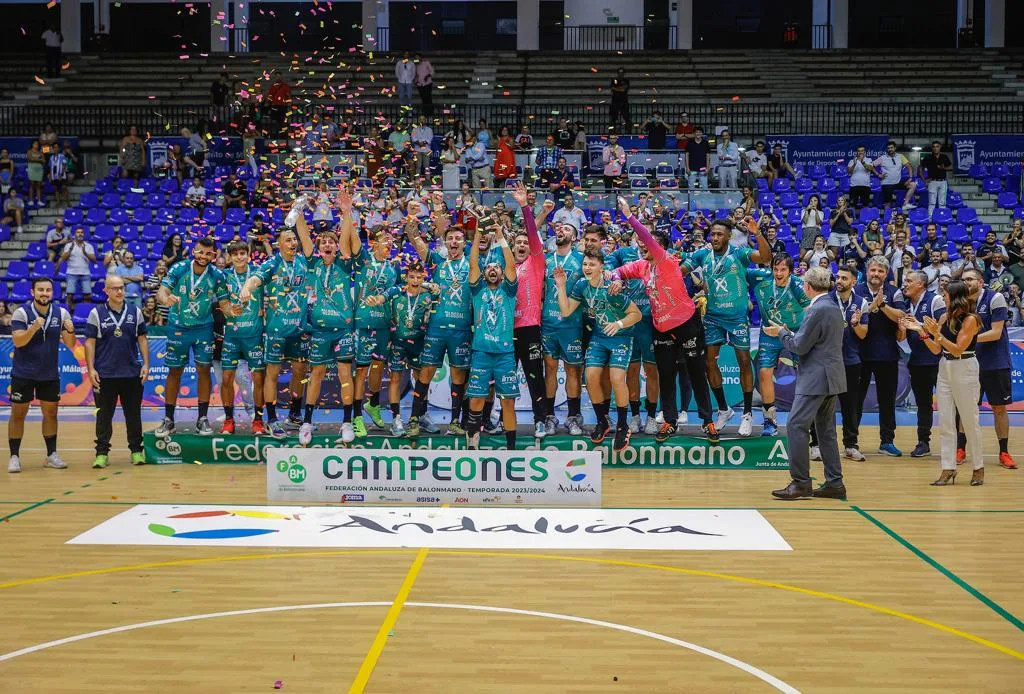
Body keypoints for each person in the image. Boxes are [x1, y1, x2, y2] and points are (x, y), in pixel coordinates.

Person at [611, 197, 717, 443]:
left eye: (650, 243)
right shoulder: (641, 265)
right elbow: (619, 270)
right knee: (666, 377)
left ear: (662, 248)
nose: (644, 245)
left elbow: (646, 238)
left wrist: (629, 216)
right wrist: (617, 278)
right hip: (661, 329)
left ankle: (708, 421)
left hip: (688, 324)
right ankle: (669, 421)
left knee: (696, 374)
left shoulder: (668, 260)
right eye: (642, 243)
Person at [680, 217, 772, 436]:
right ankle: (723, 409)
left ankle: (747, 414)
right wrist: (671, 265)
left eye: (719, 234)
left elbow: (766, 257)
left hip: (737, 318)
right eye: (712, 234)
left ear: (729, 236)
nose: (715, 238)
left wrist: (756, 233)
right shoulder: (703, 254)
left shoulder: (739, 254)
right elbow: (682, 269)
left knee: (743, 363)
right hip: (712, 317)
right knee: (709, 362)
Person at [764, 267, 847, 501]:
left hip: (816, 378)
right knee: (826, 432)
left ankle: (801, 483)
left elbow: (798, 347)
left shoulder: (817, 309)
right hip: (832, 377)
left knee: (795, 426)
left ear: (807, 286)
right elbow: (812, 341)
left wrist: (780, 333)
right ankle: (835, 483)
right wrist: (791, 334)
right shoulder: (832, 306)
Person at [555, 247, 642, 450]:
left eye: (592, 264)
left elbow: (636, 314)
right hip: (599, 337)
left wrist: (619, 324)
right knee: (591, 376)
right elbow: (566, 310)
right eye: (585, 264)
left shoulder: (613, 287)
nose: (587, 267)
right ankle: (602, 420)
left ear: (602, 267)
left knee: (616, 378)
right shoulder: (581, 285)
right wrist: (561, 286)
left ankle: (622, 425)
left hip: (621, 337)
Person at [240, 200, 313, 438]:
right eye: (288, 240)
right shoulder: (272, 264)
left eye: (294, 240)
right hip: (276, 330)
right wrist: (246, 288)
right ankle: (271, 418)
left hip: (300, 328)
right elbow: (255, 279)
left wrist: (298, 212)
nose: (293, 243)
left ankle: (294, 412)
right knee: (272, 372)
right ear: (279, 245)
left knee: (300, 370)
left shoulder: (303, 261)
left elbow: (308, 240)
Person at [905, 280, 984, 486]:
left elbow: (958, 349)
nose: (943, 297)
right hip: (944, 367)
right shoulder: (943, 317)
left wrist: (937, 335)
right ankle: (948, 468)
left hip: (964, 366)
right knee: (946, 421)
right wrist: (921, 332)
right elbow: (936, 349)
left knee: (969, 420)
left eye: (946, 294)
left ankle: (978, 467)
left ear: (956, 296)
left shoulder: (971, 320)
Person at [155, 236, 235, 438]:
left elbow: (225, 305)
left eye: (208, 253)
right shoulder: (179, 268)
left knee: (204, 371)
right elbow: (161, 293)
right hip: (178, 328)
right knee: (174, 371)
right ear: (193, 251)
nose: (203, 256)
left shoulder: (217, 275)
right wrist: (166, 298)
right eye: (200, 252)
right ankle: (169, 419)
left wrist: (236, 311)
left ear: (214, 255)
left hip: (203, 329)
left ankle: (202, 418)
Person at [300, 203, 358, 446]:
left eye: (330, 242)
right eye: (322, 242)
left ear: (336, 248)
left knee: (345, 373)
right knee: (317, 374)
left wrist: (346, 212)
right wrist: (299, 213)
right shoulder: (312, 264)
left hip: (343, 330)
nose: (326, 245)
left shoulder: (344, 265)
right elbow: (303, 235)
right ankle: (306, 422)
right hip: (320, 332)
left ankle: (347, 422)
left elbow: (345, 237)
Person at [7, 278, 75, 473]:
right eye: (40, 290)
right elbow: (18, 342)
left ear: (52, 293)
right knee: (18, 415)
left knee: (51, 414)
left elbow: (70, 344)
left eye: (48, 290)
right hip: (23, 373)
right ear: (32, 292)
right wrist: (34, 327)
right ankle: (14, 457)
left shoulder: (61, 313)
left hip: (49, 374)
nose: (44, 293)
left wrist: (69, 329)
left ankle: (51, 455)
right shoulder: (21, 312)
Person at [85, 275, 148, 469]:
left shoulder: (135, 311)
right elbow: (89, 343)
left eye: (121, 288)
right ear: (106, 291)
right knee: (104, 416)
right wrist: (91, 369)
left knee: (133, 415)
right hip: (105, 375)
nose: (119, 291)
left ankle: (136, 451)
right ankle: (102, 453)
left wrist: (146, 364)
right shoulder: (96, 313)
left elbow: (143, 339)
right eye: (115, 288)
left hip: (131, 374)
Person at [465, 220, 518, 450]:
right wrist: (478, 234)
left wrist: (499, 234)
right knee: (476, 399)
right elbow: (473, 262)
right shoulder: (478, 290)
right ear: (485, 273)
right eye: (489, 268)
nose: (493, 269)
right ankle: (472, 443)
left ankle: (511, 449)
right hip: (481, 353)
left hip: (505, 354)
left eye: (497, 267)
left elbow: (511, 266)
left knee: (508, 403)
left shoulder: (509, 290)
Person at [957, 267, 1017, 469]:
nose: (966, 282)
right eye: (964, 279)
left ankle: (1004, 452)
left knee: (999, 408)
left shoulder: (995, 298)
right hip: (968, 363)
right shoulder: (961, 302)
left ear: (980, 282)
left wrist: (967, 340)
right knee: (966, 408)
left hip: (995, 363)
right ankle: (960, 448)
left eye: (970, 279)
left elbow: (996, 332)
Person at [748, 255, 810, 437]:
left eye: (783, 270)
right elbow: (739, 268)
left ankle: (808, 421)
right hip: (769, 333)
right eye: (776, 269)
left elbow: (810, 313)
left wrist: (795, 334)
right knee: (764, 373)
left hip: (795, 333)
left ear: (791, 271)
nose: (778, 273)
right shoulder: (762, 277)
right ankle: (770, 420)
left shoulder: (799, 286)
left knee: (806, 374)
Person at [854, 255, 906, 456]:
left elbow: (901, 316)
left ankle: (887, 441)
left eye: (880, 271)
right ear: (867, 272)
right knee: (855, 400)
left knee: (887, 400)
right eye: (873, 270)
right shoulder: (856, 290)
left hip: (887, 354)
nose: (876, 274)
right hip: (859, 354)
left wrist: (882, 305)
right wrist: (872, 305)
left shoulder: (895, 292)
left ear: (886, 274)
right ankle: (852, 441)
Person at [509, 182, 550, 437]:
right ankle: (500, 418)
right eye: (519, 242)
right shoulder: (505, 266)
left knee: (535, 377)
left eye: (526, 242)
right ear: (512, 247)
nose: (523, 244)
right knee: (504, 378)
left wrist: (525, 206)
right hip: (504, 331)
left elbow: (533, 235)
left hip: (530, 330)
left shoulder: (536, 263)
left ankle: (540, 420)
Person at [540, 209, 586, 437]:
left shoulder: (582, 261)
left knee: (573, 372)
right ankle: (549, 417)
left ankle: (572, 417)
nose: (561, 230)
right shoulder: (546, 260)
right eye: (559, 228)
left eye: (567, 228)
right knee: (549, 370)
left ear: (575, 237)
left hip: (572, 324)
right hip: (549, 323)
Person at [895, 270, 946, 458]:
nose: (905, 284)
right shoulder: (906, 305)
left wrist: (919, 325)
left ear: (921, 284)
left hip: (939, 361)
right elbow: (901, 338)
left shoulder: (935, 301)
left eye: (909, 281)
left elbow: (942, 331)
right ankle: (923, 442)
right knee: (923, 405)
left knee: (949, 404)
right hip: (917, 362)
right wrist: (901, 329)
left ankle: (958, 445)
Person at [220, 241, 267, 435]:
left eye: (242, 253)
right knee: (227, 378)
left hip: (254, 336)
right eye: (235, 254)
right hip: (232, 336)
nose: (239, 257)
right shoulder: (224, 276)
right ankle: (229, 420)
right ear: (230, 257)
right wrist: (230, 310)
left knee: (258, 378)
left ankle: (257, 420)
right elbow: (223, 304)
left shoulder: (258, 274)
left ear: (248, 255)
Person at [831, 266, 870, 461]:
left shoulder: (861, 302)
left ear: (853, 282)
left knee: (850, 405)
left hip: (851, 360)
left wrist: (855, 323)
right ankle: (820, 445)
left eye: (844, 278)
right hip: (829, 361)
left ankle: (850, 445)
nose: (839, 281)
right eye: (838, 277)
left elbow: (863, 334)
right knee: (824, 405)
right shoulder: (827, 299)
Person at [920, 140, 953, 218]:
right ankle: (930, 219)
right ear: (932, 148)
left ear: (940, 147)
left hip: (943, 181)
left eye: (937, 146)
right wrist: (924, 179)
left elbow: (951, 167)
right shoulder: (928, 157)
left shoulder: (944, 157)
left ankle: (942, 218)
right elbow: (921, 169)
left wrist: (943, 168)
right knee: (932, 202)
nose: (935, 148)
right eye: (934, 147)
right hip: (932, 181)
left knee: (942, 203)